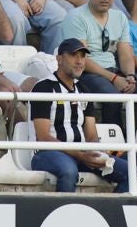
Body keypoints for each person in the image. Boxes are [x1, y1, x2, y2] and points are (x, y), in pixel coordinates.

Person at [27, 38, 118, 192]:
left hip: (80, 154)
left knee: (129, 172)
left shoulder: (84, 90)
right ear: (59, 59)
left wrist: (97, 153)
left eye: (83, 56)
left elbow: (91, 136)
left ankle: (111, 214)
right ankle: (64, 215)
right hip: (48, 154)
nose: (79, 61)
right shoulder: (44, 87)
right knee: (69, 171)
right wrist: (80, 155)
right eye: (73, 55)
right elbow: (43, 138)